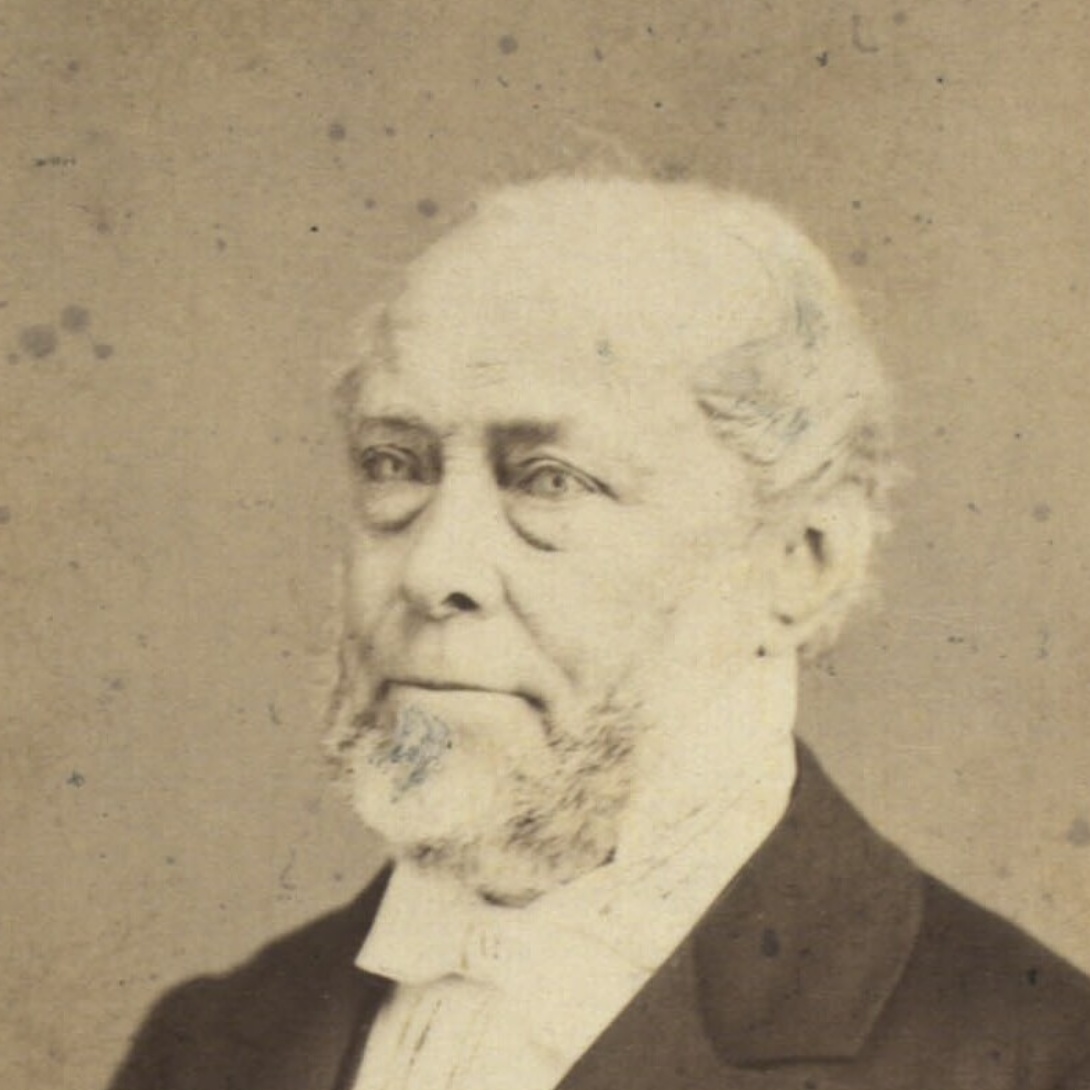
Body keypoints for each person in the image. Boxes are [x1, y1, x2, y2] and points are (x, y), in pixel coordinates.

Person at [108, 175, 1090, 1090]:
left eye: (548, 481)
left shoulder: (1033, 1059)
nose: (433, 571)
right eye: (395, 465)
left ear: (801, 561)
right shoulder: (210, 1045)